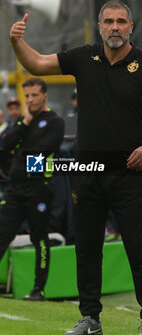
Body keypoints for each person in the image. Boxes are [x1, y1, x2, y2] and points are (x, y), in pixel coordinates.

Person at [9, 0, 142, 335]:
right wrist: (16, 41)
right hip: (87, 173)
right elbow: (38, 65)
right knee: (87, 247)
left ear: (131, 27)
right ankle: (90, 319)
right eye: (109, 22)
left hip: (128, 173)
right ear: (100, 26)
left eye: (121, 22)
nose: (115, 27)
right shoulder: (83, 57)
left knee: (137, 246)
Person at [0, 78, 64, 301]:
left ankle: (39, 289)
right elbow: (3, 144)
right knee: (2, 232)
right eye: (27, 96)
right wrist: (24, 122)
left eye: (34, 95)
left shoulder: (55, 122)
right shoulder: (22, 122)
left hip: (39, 189)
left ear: (44, 96)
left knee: (39, 237)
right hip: (14, 190)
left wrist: (18, 153)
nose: (30, 100)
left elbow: (39, 156)